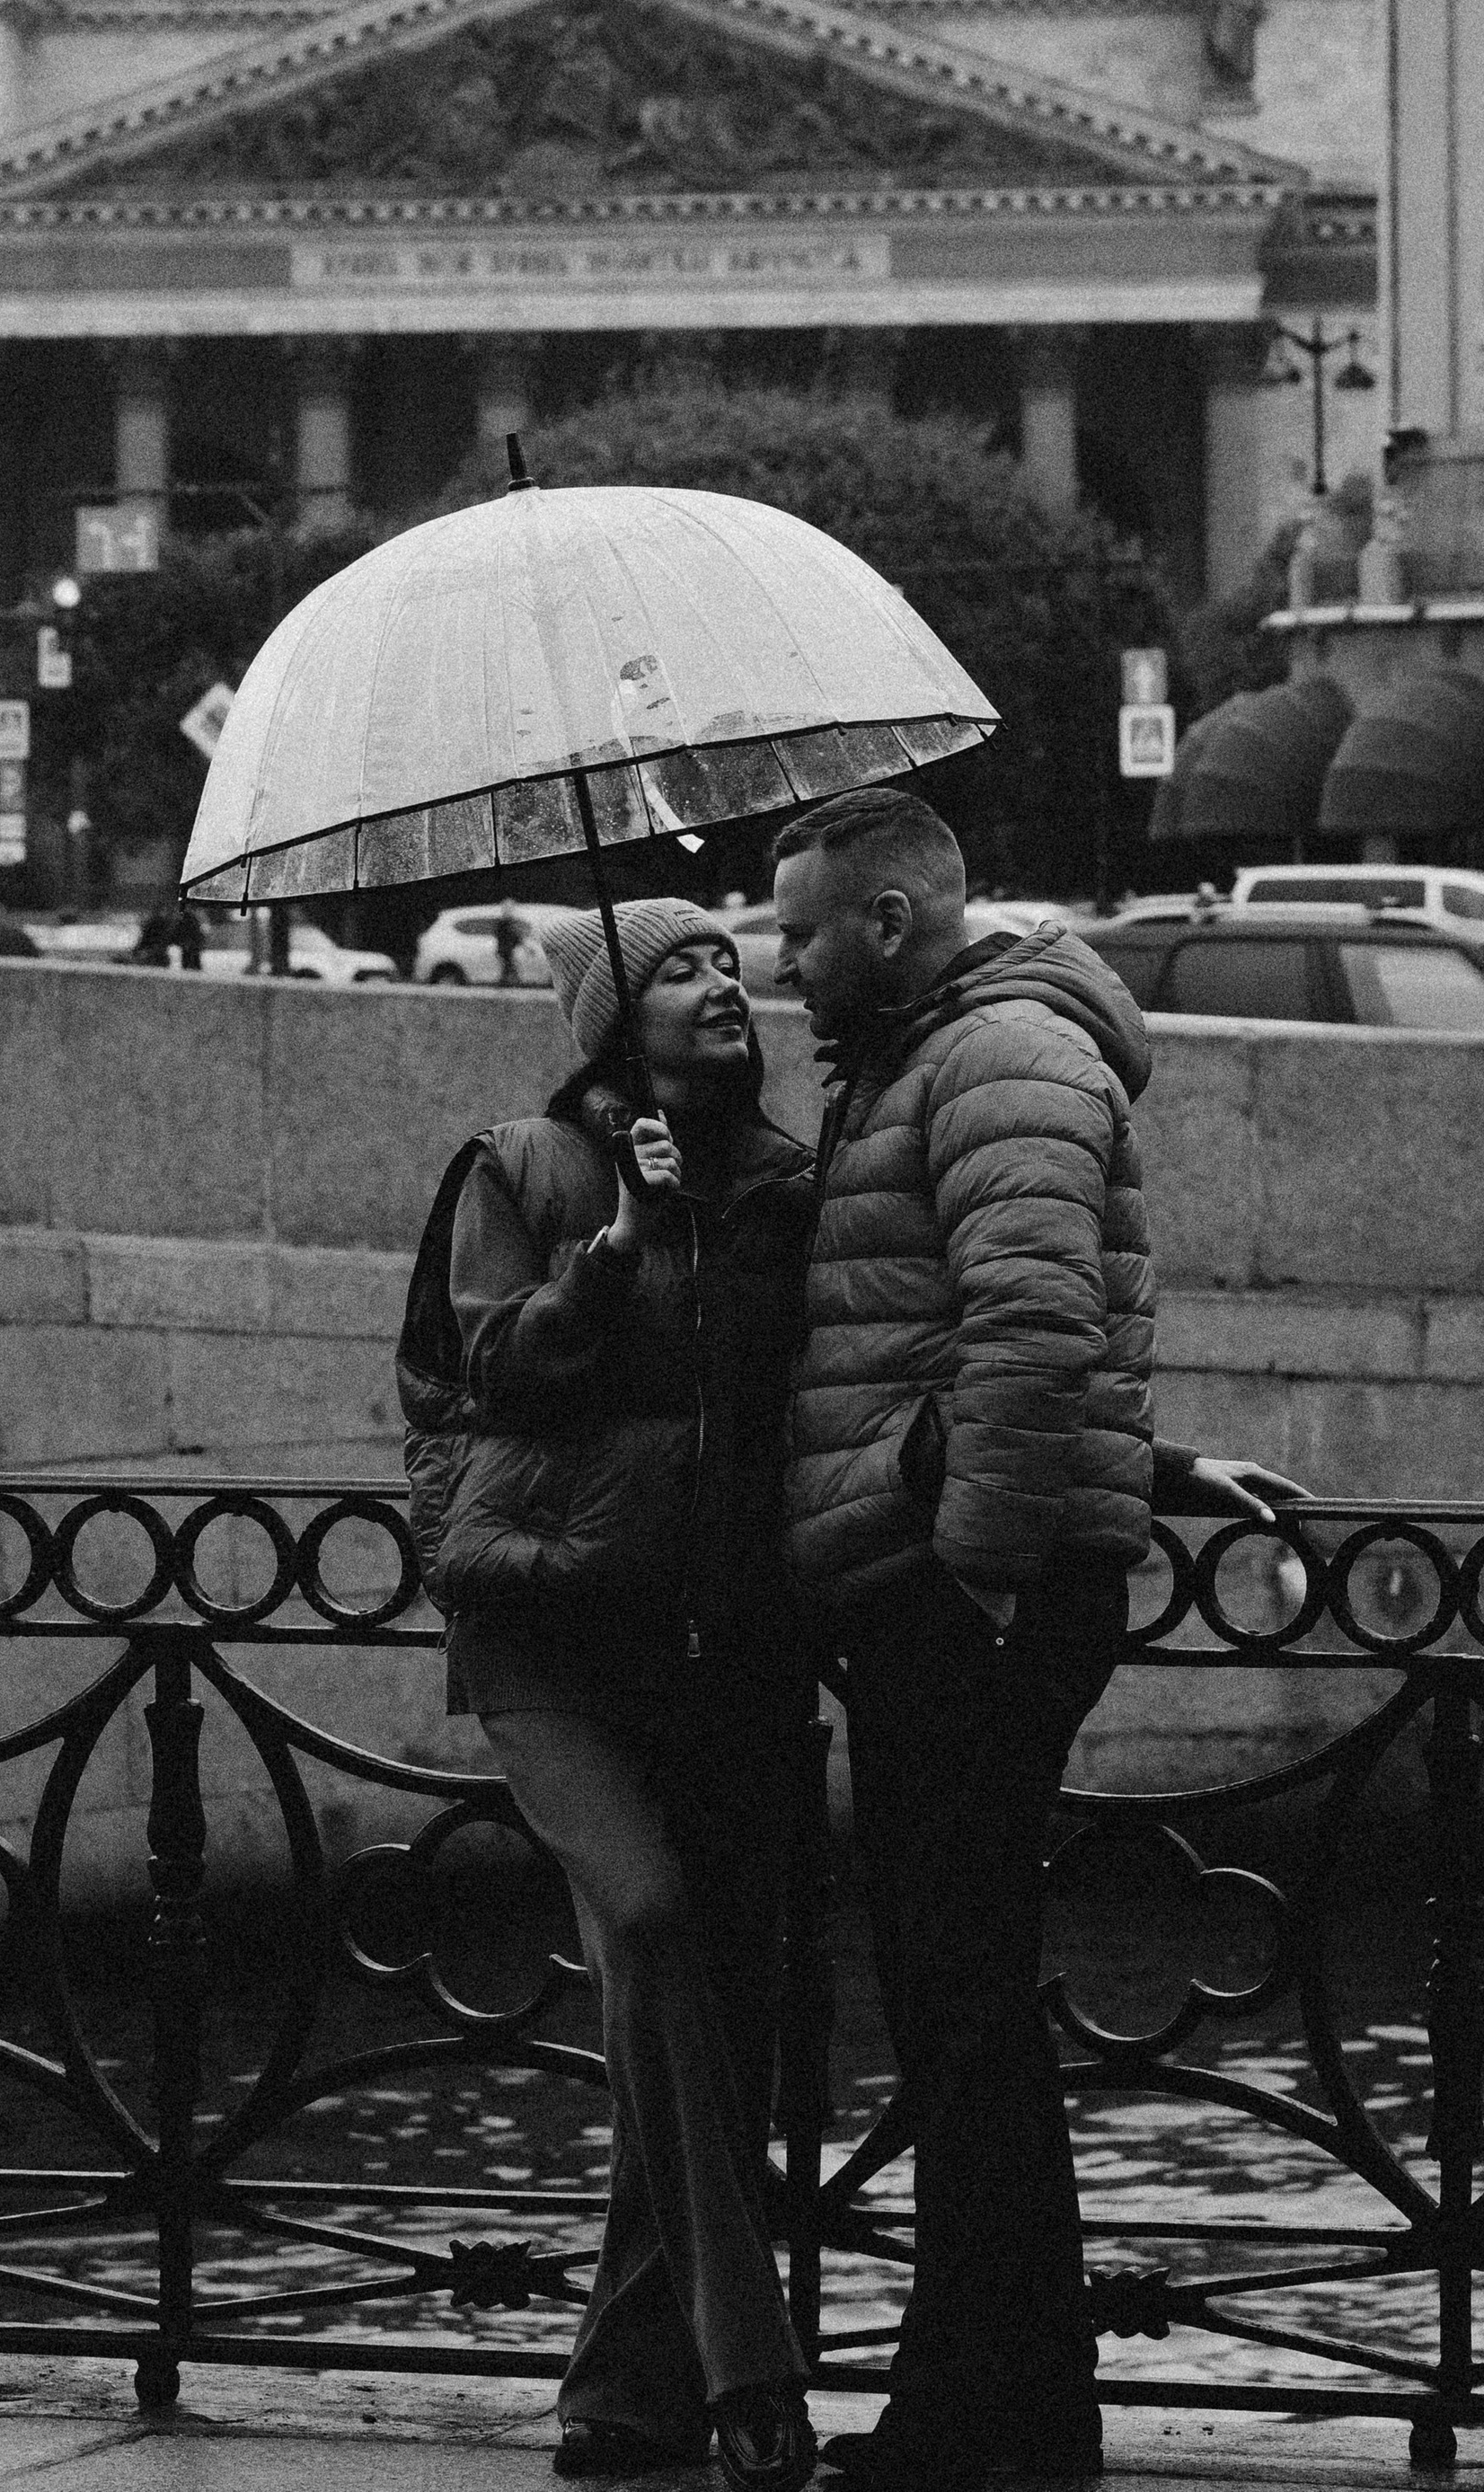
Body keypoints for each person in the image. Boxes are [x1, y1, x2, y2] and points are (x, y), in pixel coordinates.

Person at [770, 791, 1300, 2492]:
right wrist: (1140, 1471)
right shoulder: (942, 1053)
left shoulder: (995, 1054)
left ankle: (982, 2427)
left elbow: (1030, 1320)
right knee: (961, 2012)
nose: (783, 969)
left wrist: (974, 1576)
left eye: (800, 935)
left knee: (963, 2016)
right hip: (962, 1578)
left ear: (893, 924)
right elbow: (953, 1332)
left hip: (968, 1601)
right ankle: (1008, 2411)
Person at [403, 899, 822, 2492]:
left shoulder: (789, 1187)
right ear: (608, 1021)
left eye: (729, 959)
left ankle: (615, 2398)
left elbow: (851, 1388)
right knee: (646, 1927)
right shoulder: (518, 1165)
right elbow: (483, 1365)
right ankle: (748, 2368)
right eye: (677, 969)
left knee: (691, 2012)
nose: (722, 982)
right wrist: (622, 1257)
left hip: (723, 1648)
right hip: (545, 1644)